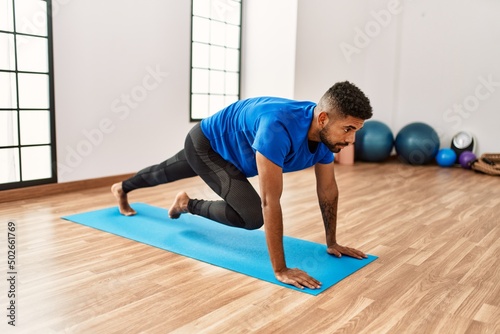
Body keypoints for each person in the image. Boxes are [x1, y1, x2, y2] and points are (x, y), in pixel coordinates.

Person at [111, 81, 373, 290]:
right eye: (348, 129)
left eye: (356, 131)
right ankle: (157, 196)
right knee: (250, 215)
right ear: (324, 118)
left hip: (234, 158)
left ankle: (148, 194)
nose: (351, 139)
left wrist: (332, 242)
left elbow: (327, 190)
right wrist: (281, 269)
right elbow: (270, 201)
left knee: (165, 171)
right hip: (208, 145)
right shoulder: (278, 127)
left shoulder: (327, 139)